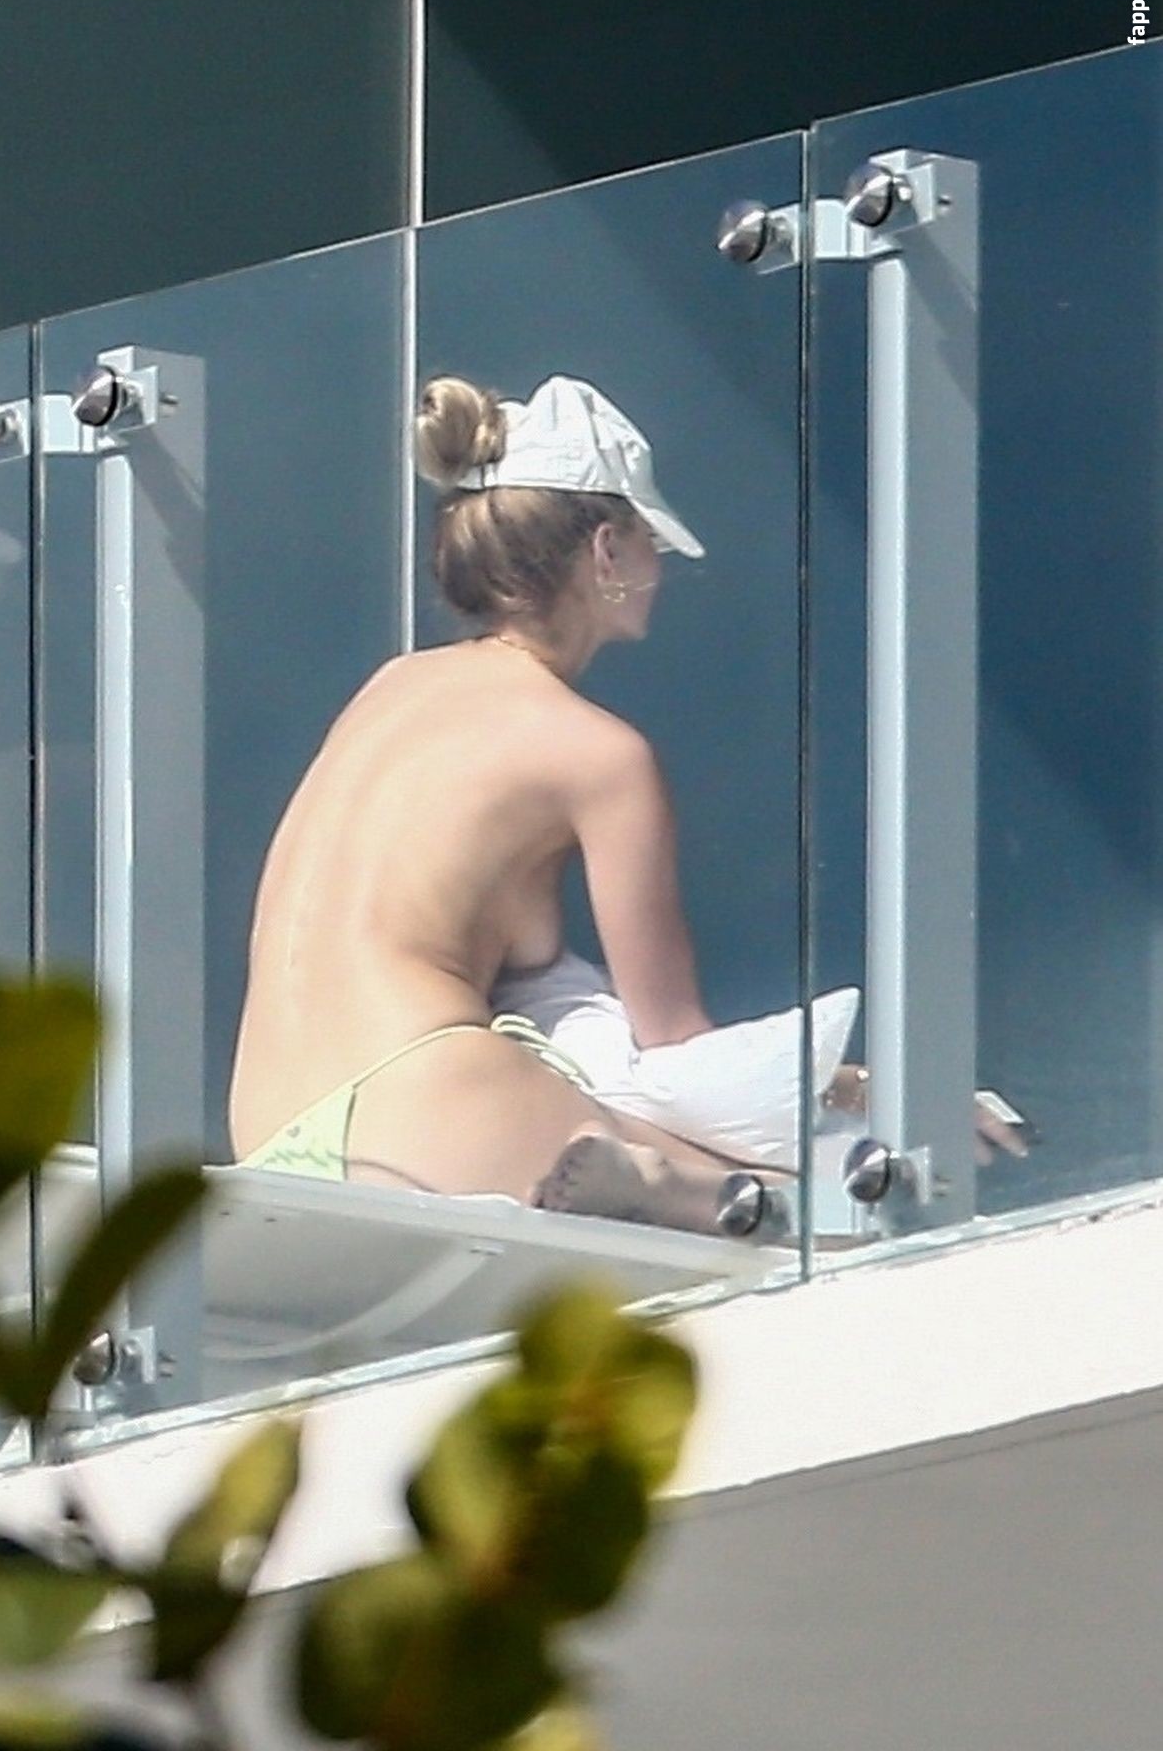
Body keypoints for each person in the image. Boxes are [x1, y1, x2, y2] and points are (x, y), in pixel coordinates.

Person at [226, 373, 1019, 1236]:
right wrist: (871, 1093)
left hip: (270, 1127)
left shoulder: (388, 690)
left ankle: (648, 1179)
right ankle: (659, 1185)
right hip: (433, 1096)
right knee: (832, 1210)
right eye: (652, 544)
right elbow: (674, 1048)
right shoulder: (598, 753)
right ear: (605, 551)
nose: (659, 573)